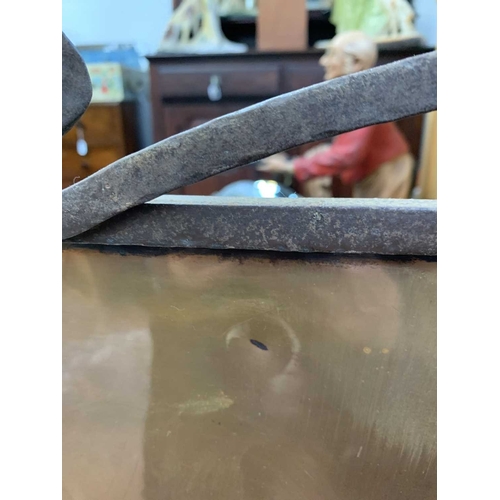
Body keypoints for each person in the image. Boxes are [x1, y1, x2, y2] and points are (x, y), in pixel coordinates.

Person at [258, 31, 415, 199]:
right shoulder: (353, 95)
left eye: (332, 54)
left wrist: (294, 166)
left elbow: (347, 154)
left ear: (356, 63)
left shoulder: (363, 100)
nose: (323, 61)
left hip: (386, 173)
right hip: (371, 173)